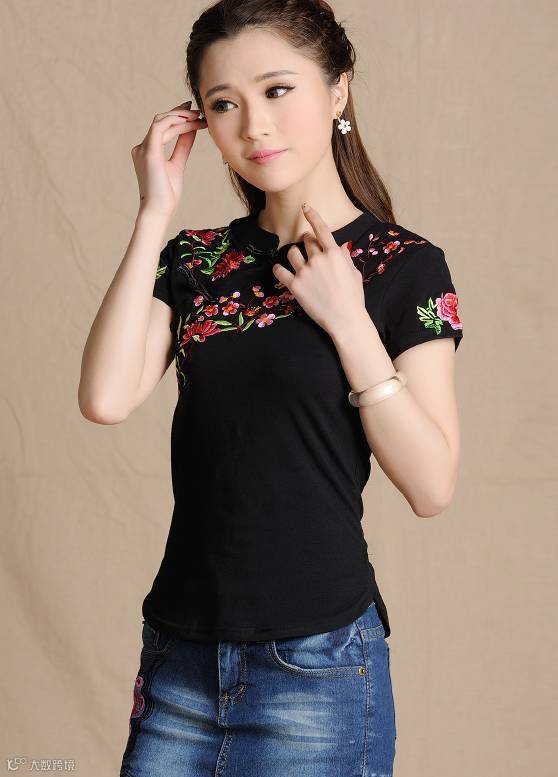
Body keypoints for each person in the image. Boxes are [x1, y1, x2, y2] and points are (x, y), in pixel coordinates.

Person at [78, 1, 463, 775]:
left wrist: (350, 322)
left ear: (338, 88)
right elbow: (106, 398)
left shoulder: (405, 266)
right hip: (180, 656)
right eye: (224, 103)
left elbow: (432, 484)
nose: (254, 125)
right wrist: (155, 211)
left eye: (278, 89)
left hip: (318, 665)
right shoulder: (195, 260)